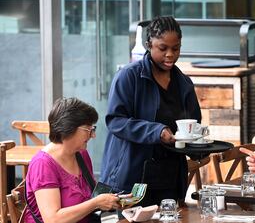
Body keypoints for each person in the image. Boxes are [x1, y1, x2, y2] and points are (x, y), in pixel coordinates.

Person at [100, 16, 201, 206]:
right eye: (163, 48)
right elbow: (115, 121)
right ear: (149, 45)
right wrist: (157, 131)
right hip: (132, 176)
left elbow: (193, 126)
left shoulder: (184, 84)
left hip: (170, 178)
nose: (170, 54)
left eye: (176, 48)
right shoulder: (129, 77)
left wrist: (200, 148)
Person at [24, 97, 121, 223]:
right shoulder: (43, 164)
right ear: (68, 128)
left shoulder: (81, 154)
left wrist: (114, 201)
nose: (93, 135)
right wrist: (96, 203)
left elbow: (90, 198)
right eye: (88, 129)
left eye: (93, 129)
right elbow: (53, 219)